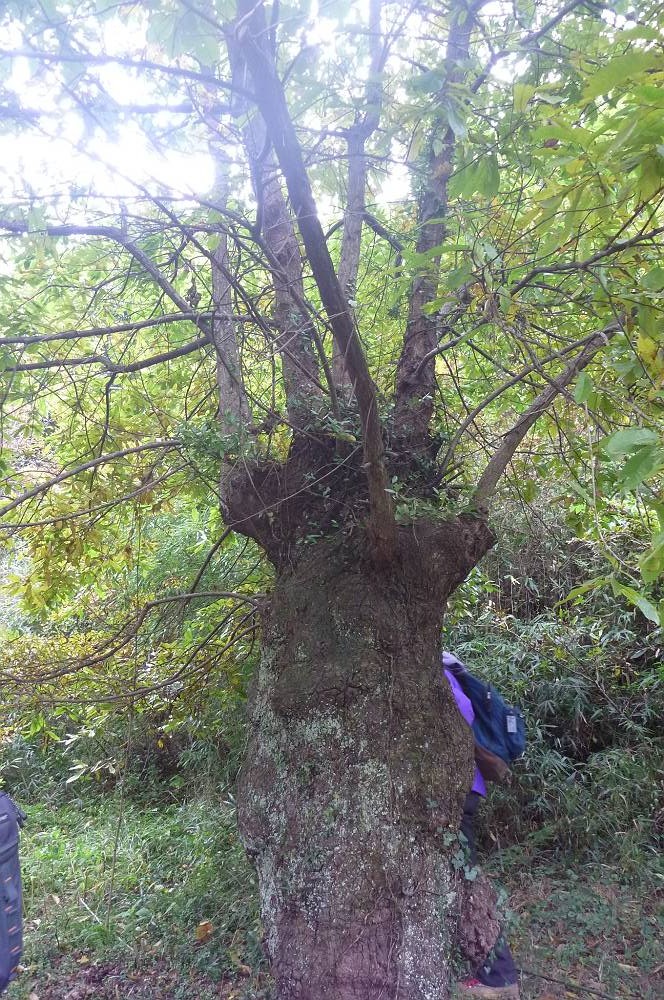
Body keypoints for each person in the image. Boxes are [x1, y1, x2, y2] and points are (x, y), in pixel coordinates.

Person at [443, 651, 520, 1000]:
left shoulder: (442, 679)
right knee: (460, 877)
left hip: (458, 791)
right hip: (463, 789)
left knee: (466, 880)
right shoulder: (452, 676)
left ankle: (500, 977)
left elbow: (460, 717)